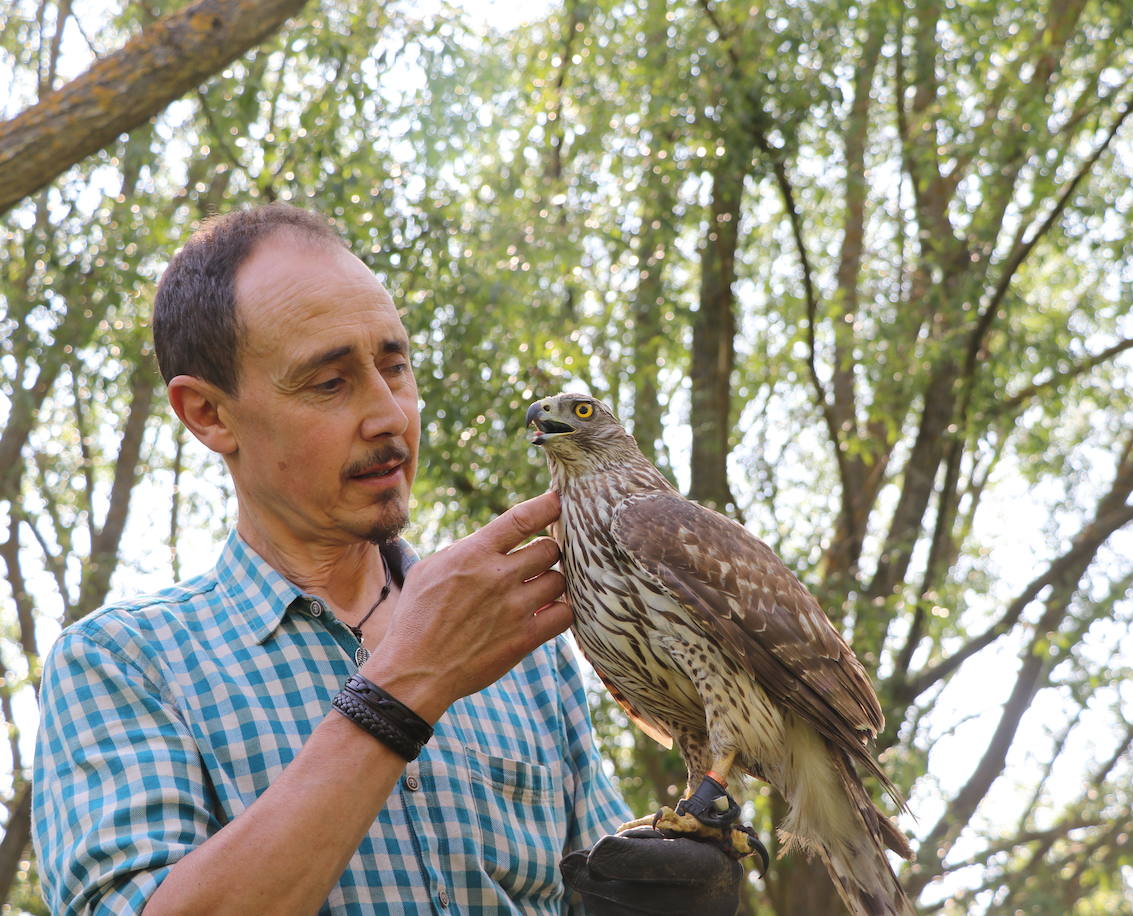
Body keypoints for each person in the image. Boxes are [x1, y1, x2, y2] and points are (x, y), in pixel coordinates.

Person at [32, 203, 740, 914]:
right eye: (329, 382)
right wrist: (403, 687)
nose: (390, 415)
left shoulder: (525, 650)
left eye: (395, 367)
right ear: (208, 415)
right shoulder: (123, 662)